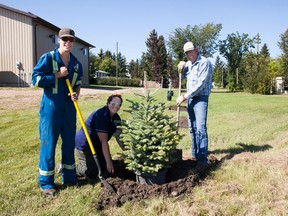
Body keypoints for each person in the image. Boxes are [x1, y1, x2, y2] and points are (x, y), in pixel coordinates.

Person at [32, 28, 83, 196]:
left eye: (71, 40)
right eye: (64, 39)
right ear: (59, 40)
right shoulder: (48, 58)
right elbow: (35, 79)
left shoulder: (76, 64)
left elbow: (78, 83)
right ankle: (46, 183)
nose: (68, 42)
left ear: (74, 42)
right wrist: (56, 75)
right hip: (51, 109)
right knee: (49, 144)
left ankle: (69, 176)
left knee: (69, 143)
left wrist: (76, 93)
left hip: (69, 108)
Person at [176, 41, 213, 173]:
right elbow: (182, 72)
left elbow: (201, 84)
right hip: (191, 99)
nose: (189, 55)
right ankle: (194, 155)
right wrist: (181, 65)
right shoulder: (189, 64)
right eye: (186, 53)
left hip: (201, 98)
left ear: (196, 50)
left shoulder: (204, 62)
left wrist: (184, 96)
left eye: (191, 51)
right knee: (192, 128)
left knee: (200, 129)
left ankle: (202, 161)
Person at [75, 94, 125, 180]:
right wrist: (109, 162)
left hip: (97, 146)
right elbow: (104, 141)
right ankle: (70, 169)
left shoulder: (116, 118)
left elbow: (119, 137)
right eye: (113, 104)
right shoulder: (101, 115)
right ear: (108, 103)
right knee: (93, 172)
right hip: (85, 146)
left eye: (118, 105)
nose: (115, 107)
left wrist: (128, 152)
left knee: (104, 168)